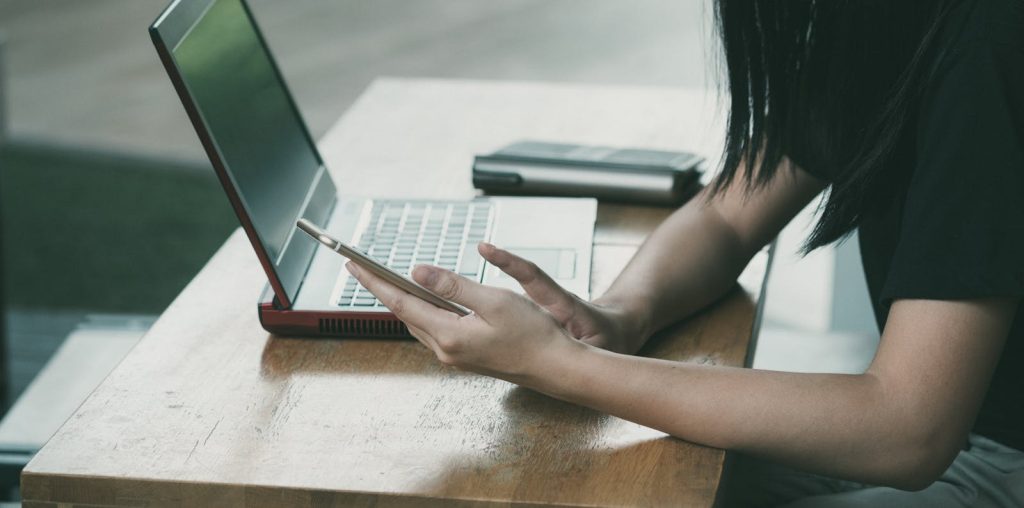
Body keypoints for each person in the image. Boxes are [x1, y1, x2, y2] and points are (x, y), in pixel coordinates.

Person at [346, 0, 1024, 505]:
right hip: (954, 440)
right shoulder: (883, 25)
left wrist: (562, 364)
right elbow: (728, 216)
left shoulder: (985, 42)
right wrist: (617, 314)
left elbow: (908, 429)